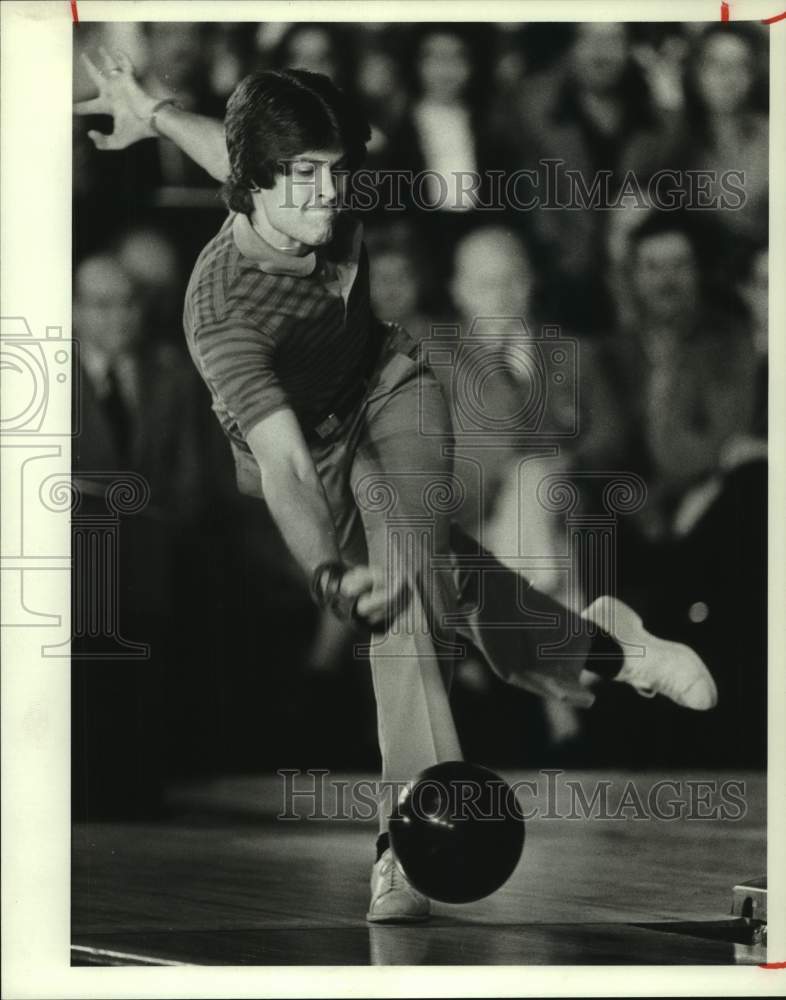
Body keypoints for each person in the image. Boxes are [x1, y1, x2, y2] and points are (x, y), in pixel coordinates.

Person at [75, 50, 718, 924]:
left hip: (393, 392)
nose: (329, 198)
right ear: (252, 188)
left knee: (409, 590)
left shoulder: (310, 188)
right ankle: (610, 647)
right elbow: (288, 469)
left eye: (335, 174)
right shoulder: (220, 314)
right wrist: (329, 577)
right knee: (443, 584)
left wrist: (154, 114)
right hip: (309, 454)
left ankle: (406, 840)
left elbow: (228, 146)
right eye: (303, 178)